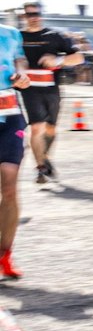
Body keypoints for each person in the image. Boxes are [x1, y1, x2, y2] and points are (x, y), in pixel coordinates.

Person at [16, 3, 84, 185]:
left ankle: (44, 158)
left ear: (41, 15)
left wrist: (58, 59)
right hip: (29, 90)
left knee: (50, 129)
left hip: (52, 90)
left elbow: (79, 57)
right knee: (37, 127)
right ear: (24, 16)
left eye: (36, 13)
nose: (33, 17)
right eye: (29, 14)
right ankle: (41, 168)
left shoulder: (55, 36)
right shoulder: (17, 36)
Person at [0, 17, 24, 279]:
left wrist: (22, 75)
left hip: (9, 114)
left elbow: (20, 61)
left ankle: (4, 255)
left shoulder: (10, 33)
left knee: (9, 186)